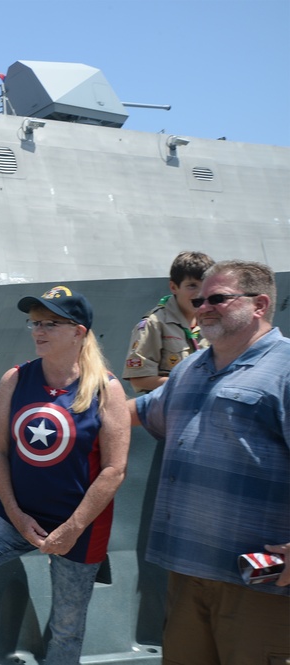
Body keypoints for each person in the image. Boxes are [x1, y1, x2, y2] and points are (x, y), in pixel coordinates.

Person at [0, 285, 130, 664]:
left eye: (51, 323)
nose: (38, 330)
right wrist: (16, 516)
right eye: (35, 322)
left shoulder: (106, 389)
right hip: (15, 516)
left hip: (80, 528)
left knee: (67, 627)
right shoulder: (15, 380)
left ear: (79, 332)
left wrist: (72, 528)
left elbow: (114, 470)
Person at [130, 260, 289, 663]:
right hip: (186, 573)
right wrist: (64, 406)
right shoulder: (189, 369)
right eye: (200, 299)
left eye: (218, 299)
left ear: (260, 304)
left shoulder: (284, 370)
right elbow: (140, 410)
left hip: (259, 583)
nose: (203, 308)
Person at [123, 251, 214, 393]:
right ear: (173, 287)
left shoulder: (211, 323)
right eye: (192, 285)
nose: (199, 293)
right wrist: (187, 385)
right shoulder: (155, 324)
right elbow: (139, 379)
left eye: (205, 286)